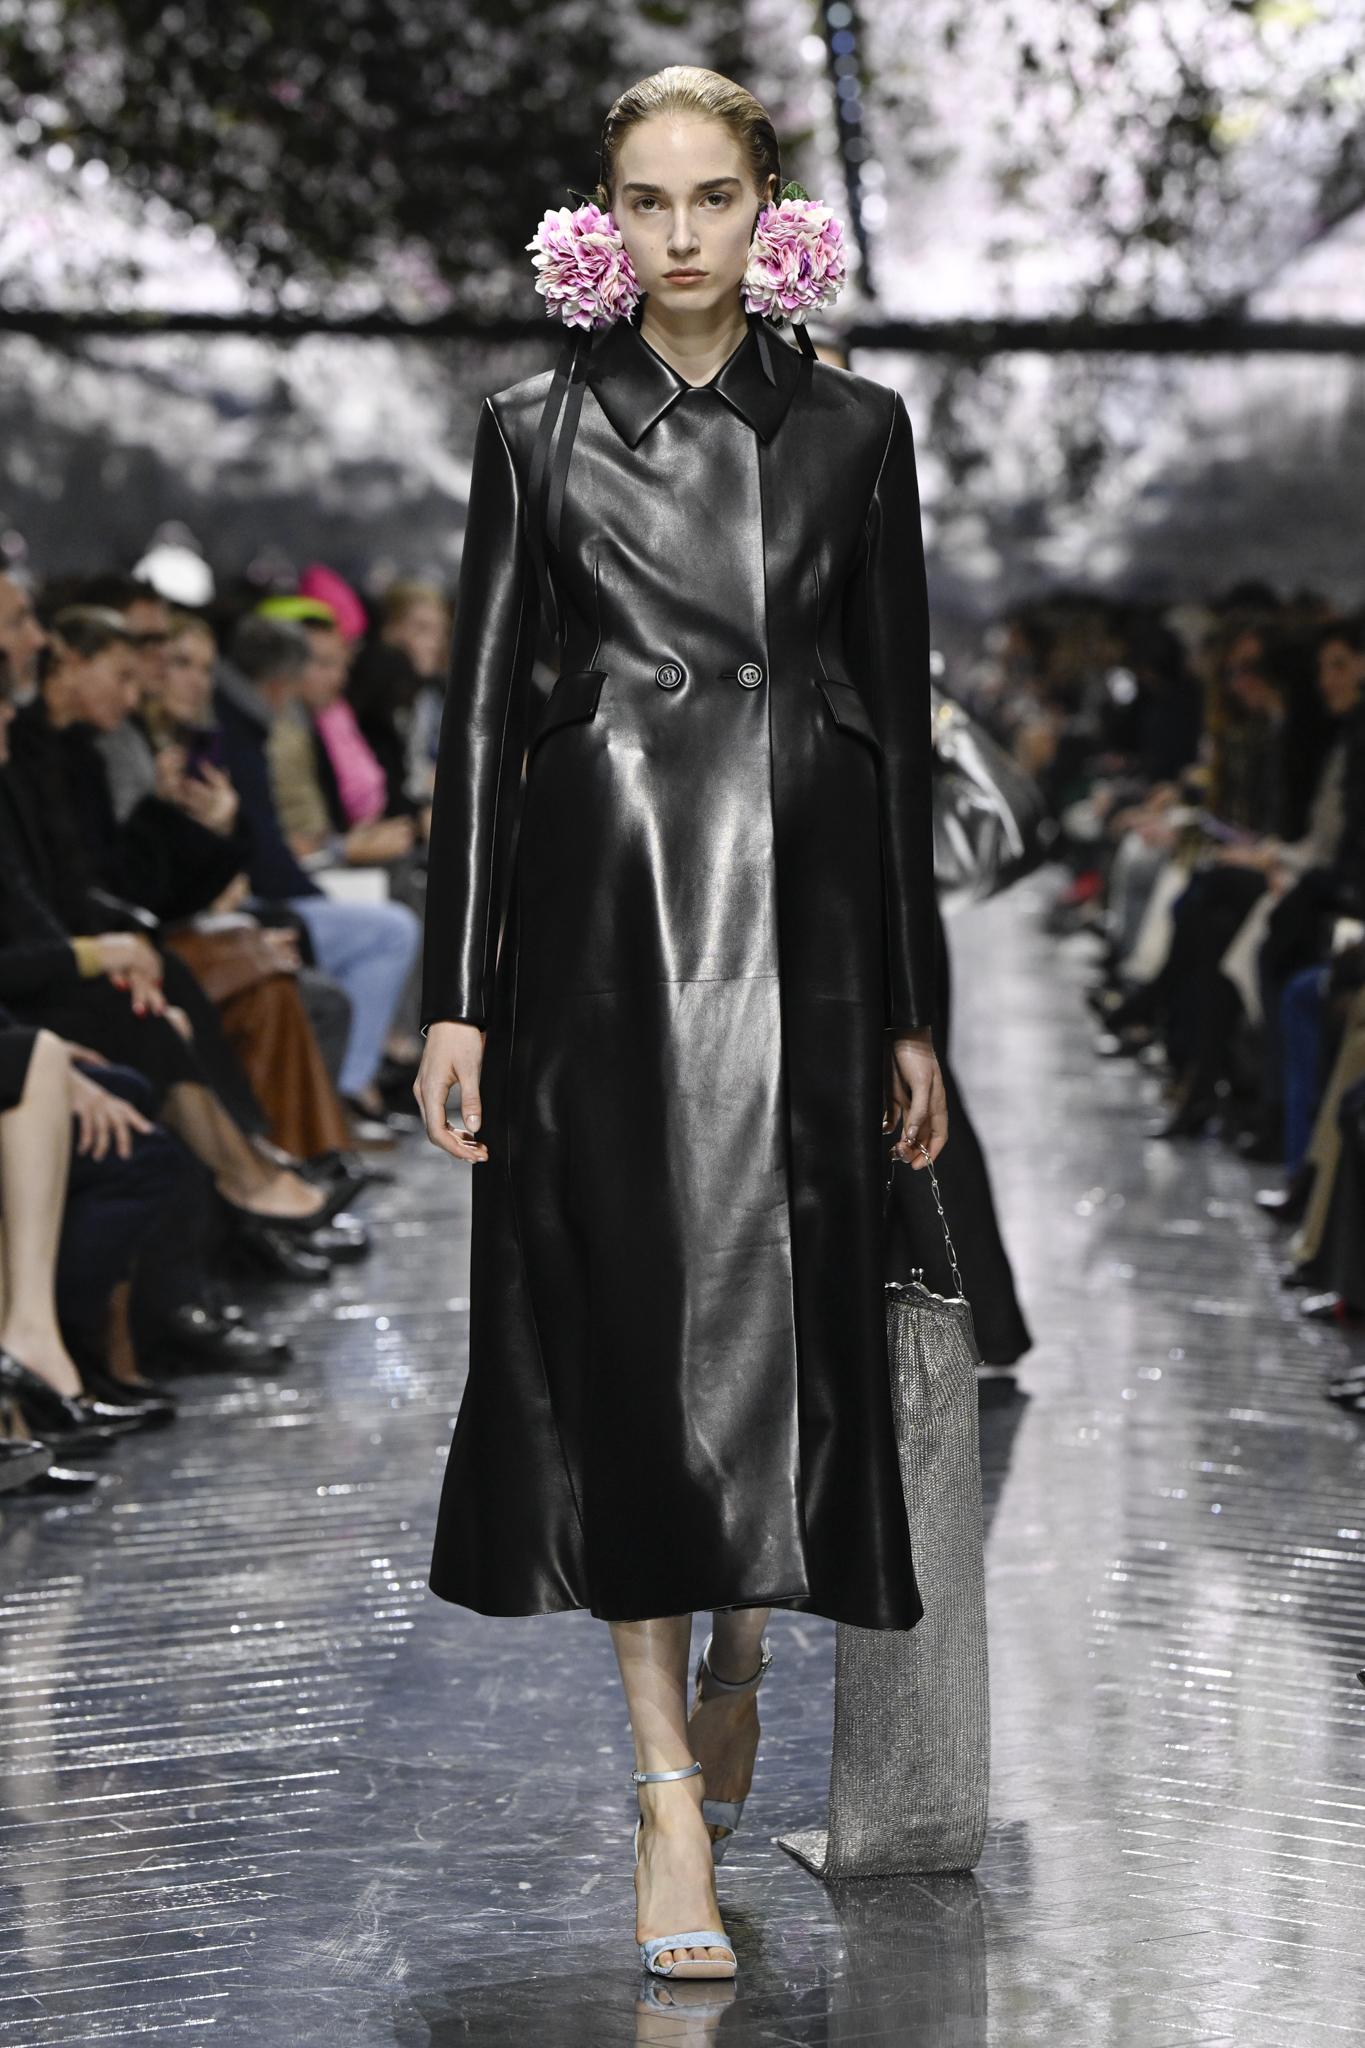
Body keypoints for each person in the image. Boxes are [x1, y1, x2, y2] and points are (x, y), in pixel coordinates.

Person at [413, 66, 948, 1982]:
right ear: (602, 221)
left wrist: (915, 1012)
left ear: (765, 207)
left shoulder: (858, 433)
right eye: (645, 200)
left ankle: (740, 1649)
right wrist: (455, 996)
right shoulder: (531, 431)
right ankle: (661, 1795)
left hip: (805, 930)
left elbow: (895, 727)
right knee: (628, 1334)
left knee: (780, 1321)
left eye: (712, 195)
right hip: (601, 937)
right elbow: (479, 723)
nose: (680, 234)